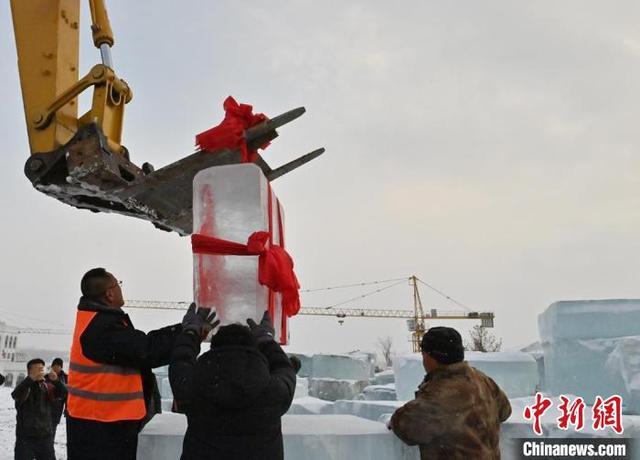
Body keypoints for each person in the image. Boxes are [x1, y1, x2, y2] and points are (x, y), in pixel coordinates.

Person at [65, 268, 188, 460]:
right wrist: (186, 332)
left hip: (100, 421)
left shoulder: (98, 319)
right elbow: (146, 350)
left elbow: (140, 345)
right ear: (110, 293)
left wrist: (183, 330)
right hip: (101, 426)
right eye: (118, 284)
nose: (121, 288)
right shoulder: (100, 328)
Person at [170, 311, 296, 460]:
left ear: (214, 349)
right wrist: (266, 340)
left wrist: (191, 332)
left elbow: (181, 361)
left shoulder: (195, 386)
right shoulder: (272, 392)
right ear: (254, 349)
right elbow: (284, 368)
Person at [389, 327, 512, 459]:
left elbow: (405, 426)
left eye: (423, 355)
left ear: (431, 357)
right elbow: (505, 411)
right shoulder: (482, 380)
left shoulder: (440, 394)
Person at [12, 358, 67, 460]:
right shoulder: (25, 387)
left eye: (42, 369)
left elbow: (64, 392)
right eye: (37, 369)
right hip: (26, 438)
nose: (40, 371)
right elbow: (15, 394)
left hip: (45, 437)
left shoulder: (47, 387)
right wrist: (30, 378)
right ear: (29, 371)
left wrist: (56, 381)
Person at [44, 358, 67, 438]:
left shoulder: (66, 378)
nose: (55, 368)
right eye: (54, 366)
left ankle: (49, 445)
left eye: (58, 366)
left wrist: (67, 409)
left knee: (52, 430)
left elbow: (68, 394)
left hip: (57, 407)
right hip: (45, 406)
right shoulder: (46, 377)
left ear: (61, 367)